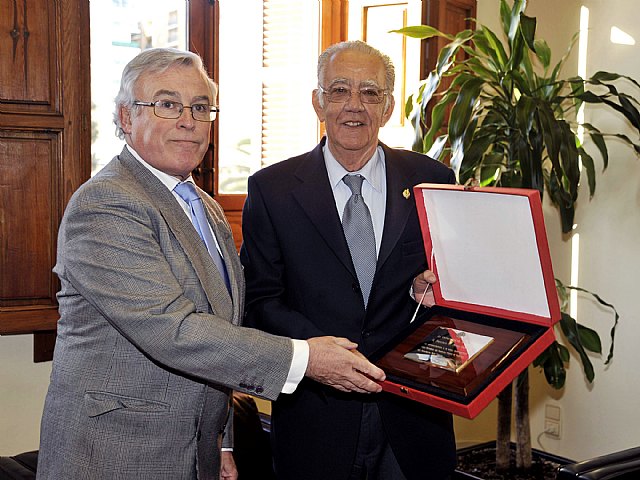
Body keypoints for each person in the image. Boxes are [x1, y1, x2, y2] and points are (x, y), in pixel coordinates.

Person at [36, 47, 385, 480]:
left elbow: (224, 324)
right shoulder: (106, 203)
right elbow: (173, 330)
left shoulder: (204, 207)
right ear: (127, 118)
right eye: (167, 104)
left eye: (200, 107)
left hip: (191, 451)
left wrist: (220, 439)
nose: (188, 120)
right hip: (116, 456)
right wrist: (306, 359)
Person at [240, 40, 457, 480]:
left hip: (413, 416)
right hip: (315, 417)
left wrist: (435, 289)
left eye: (369, 93)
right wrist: (321, 356)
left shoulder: (432, 181)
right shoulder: (272, 189)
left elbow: (454, 289)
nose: (353, 106)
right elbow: (260, 300)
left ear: (389, 106)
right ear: (318, 102)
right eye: (339, 91)